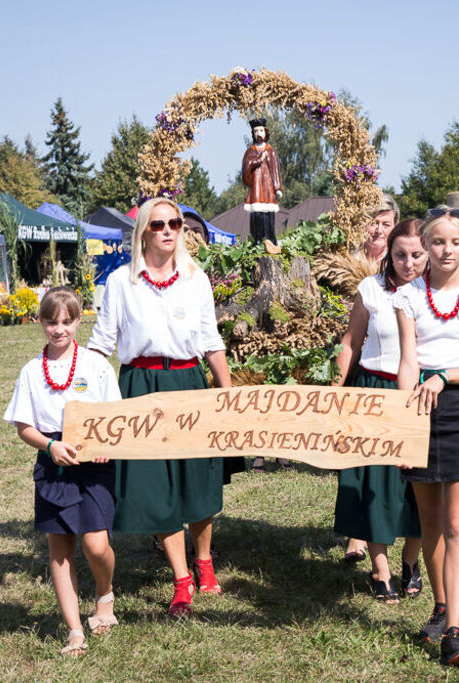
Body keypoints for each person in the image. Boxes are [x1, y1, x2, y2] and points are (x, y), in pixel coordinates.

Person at [87, 197, 235, 618]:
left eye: (176, 223)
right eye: (159, 224)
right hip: (140, 387)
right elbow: (101, 345)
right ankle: (181, 578)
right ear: (143, 232)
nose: (169, 230)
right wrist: (83, 394)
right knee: (157, 485)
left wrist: (227, 396)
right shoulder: (121, 282)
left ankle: (204, 560)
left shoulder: (195, 278)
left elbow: (211, 342)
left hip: (189, 382)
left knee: (199, 480)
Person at [393, 208, 459, 667]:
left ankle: (454, 632)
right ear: (428, 245)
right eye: (437, 242)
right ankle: (440, 606)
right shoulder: (408, 296)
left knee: (458, 524)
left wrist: (443, 377)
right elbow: (406, 363)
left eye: (455, 243)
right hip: (418, 411)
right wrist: (402, 427)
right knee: (430, 521)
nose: (445, 251)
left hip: (458, 409)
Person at [2, 286, 120, 657]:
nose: (59, 330)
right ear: (40, 323)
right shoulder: (31, 371)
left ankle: (104, 594)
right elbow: (24, 426)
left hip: (95, 462)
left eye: (67, 322)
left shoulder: (96, 365)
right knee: (60, 550)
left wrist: (103, 448)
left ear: (78, 320)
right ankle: (73, 630)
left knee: (96, 545)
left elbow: (115, 417)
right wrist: (50, 446)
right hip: (53, 463)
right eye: (51, 322)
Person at [333, 218, 426, 603]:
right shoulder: (371, 289)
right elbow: (352, 342)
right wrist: (333, 393)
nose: (408, 262)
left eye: (417, 254)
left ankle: (410, 560)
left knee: (418, 486)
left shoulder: (434, 293)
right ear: (389, 252)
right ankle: (380, 568)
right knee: (375, 483)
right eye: (400, 254)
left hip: (422, 394)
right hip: (374, 390)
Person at [241, 118, 283, 246]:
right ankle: (258, 238)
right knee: (257, 213)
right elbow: (246, 166)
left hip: (268, 185)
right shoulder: (250, 151)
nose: (258, 133)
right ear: (253, 134)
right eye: (256, 131)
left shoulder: (271, 151)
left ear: (265, 132)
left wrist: (278, 188)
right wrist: (258, 159)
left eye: (261, 130)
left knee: (269, 213)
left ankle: (271, 237)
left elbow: (275, 170)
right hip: (257, 186)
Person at [356, 194, 399, 264]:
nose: (379, 230)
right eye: (374, 223)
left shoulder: (398, 262)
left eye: (386, 224)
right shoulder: (348, 258)